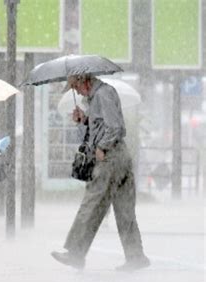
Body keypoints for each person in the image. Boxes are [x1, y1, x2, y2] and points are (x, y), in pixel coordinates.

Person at [51, 74, 150, 271]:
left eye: (75, 86)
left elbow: (115, 127)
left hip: (110, 158)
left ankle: (76, 254)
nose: (76, 91)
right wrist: (85, 120)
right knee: (124, 210)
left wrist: (102, 147)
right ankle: (135, 256)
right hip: (120, 156)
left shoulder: (102, 95)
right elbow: (104, 124)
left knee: (92, 203)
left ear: (84, 80)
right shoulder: (98, 97)